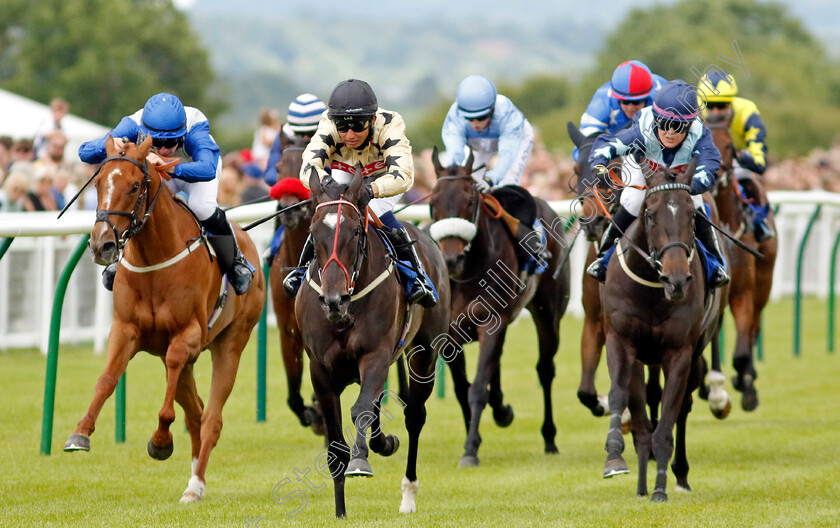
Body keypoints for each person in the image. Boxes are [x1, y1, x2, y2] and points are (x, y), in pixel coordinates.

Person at [78, 93, 254, 294]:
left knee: (202, 207)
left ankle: (235, 262)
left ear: (182, 134)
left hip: (194, 171)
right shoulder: (132, 124)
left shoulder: (195, 127)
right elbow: (84, 152)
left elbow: (207, 169)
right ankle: (122, 257)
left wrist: (172, 169)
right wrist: (108, 143)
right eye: (157, 142)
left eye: (171, 143)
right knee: (143, 206)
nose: (163, 149)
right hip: (160, 172)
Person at [282, 79, 438, 308]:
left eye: (357, 126)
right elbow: (308, 166)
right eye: (343, 128)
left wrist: (372, 189)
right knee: (330, 217)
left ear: (372, 120)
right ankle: (302, 269)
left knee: (376, 213)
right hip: (344, 172)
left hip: (383, 177)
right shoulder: (328, 123)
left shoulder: (391, 124)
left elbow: (403, 176)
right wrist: (326, 182)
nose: (350, 134)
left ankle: (417, 277)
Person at [586, 79, 729, 288]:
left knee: (696, 206)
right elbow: (608, 146)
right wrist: (599, 165)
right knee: (634, 201)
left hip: (682, 177)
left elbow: (709, 164)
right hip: (645, 171)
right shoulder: (641, 129)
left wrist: (693, 185)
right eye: (664, 124)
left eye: (678, 126)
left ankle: (715, 264)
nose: (670, 131)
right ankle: (604, 258)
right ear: (655, 119)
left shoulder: (701, 134)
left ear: (689, 125)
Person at [440, 74, 549, 271]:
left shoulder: (506, 113)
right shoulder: (455, 116)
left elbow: (506, 155)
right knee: (468, 189)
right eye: (470, 118)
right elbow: (456, 155)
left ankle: (534, 240)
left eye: (481, 117)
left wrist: (491, 179)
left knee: (504, 187)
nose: (476, 123)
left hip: (513, 140)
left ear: (492, 110)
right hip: (480, 144)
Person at [697, 71, 774, 242]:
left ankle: (760, 223)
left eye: (722, 105)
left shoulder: (747, 112)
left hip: (734, 159)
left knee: (747, 179)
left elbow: (760, 162)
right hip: (702, 157)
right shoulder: (693, 112)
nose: (715, 111)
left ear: (731, 103)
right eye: (710, 106)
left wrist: (741, 157)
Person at [580, 60, 667, 138]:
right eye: (624, 102)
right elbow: (585, 139)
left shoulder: (663, 95)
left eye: (636, 102)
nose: (630, 108)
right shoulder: (604, 99)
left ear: (647, 97)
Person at [263, 93, 327, 186]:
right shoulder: (284, 134)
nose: (305, 138)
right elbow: (270, 175)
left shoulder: (336, 133)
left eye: (310, 133)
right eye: (299, 134)